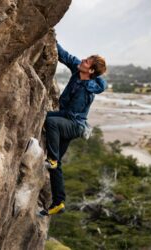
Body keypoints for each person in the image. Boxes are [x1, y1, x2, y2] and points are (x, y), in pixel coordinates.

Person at [39, 42, 107, 216]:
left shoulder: (87, 90)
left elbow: (69, 116)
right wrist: (51, 35)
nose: (83, 60)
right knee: (56, 167)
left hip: (74, 125)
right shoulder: (79, 71)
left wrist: (51, 115)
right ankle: (58, 202)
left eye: (87, 61)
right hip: (67, 120)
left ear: (90, 71)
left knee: (48, 120)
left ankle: (52, 158)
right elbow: (66, 56)